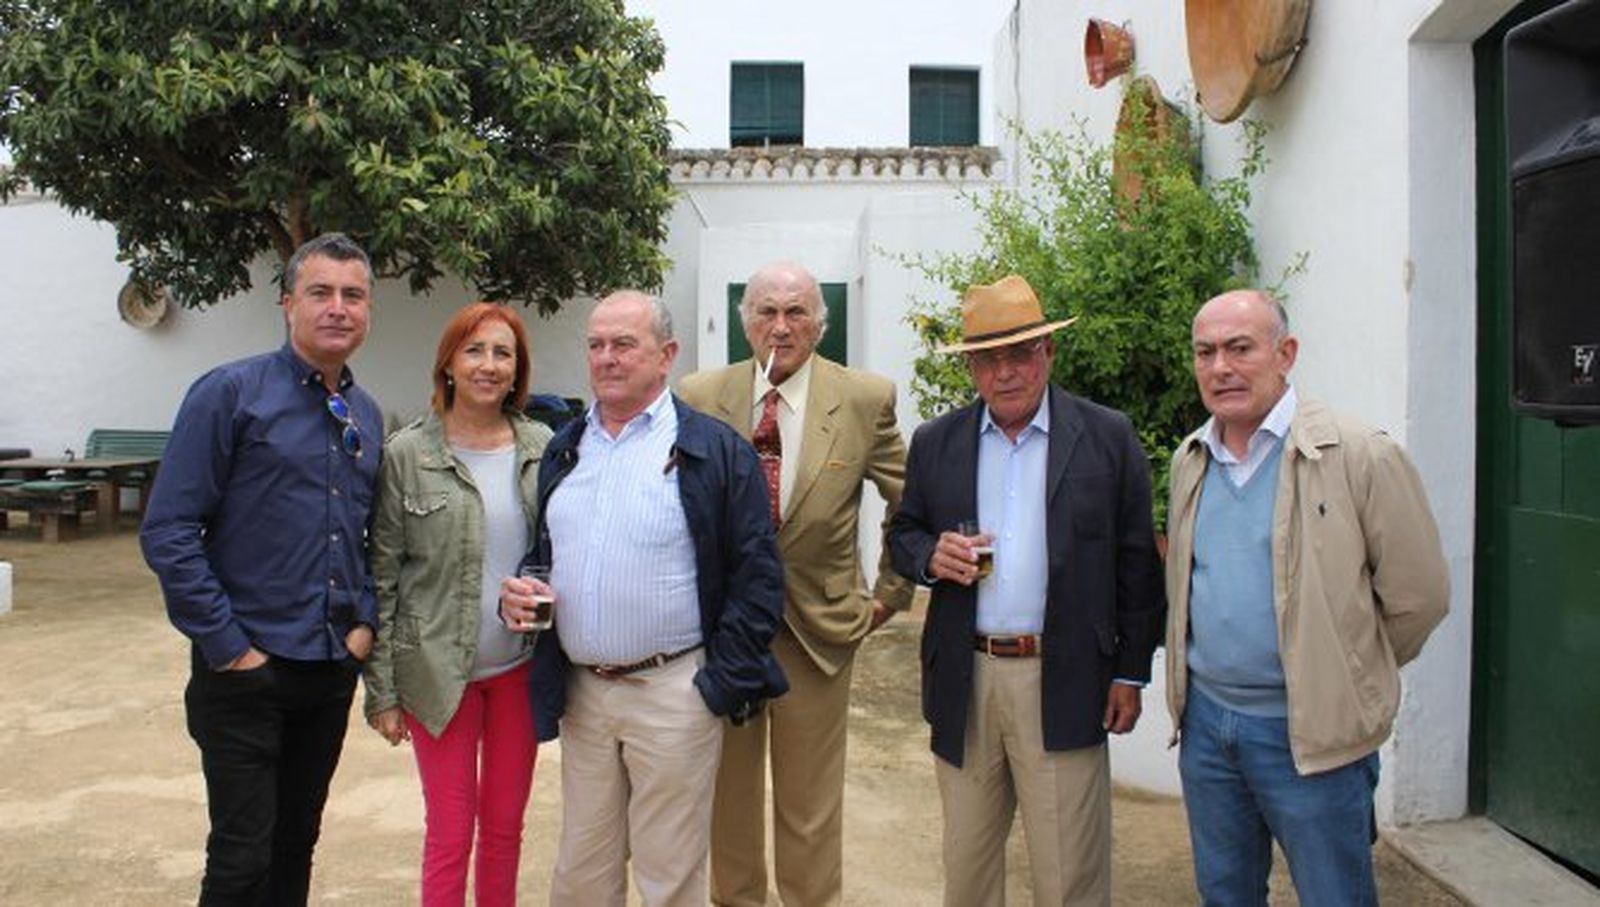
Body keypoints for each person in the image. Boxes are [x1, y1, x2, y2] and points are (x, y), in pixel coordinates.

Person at [499, 290, 787, 907]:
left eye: (624, 344)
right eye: (596, 345)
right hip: (585, 695)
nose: (606, 358)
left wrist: (715, 685)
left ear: (667, 355)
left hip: (674, 693)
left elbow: (758, 579)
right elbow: (546, 553)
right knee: (582, 871)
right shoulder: (565, 447)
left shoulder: (715, 450)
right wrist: (523, 590)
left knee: (670, 874)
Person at [887, 274, 1164, 906]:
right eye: (988, 359)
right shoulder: (938, 442)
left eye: (1019, 353)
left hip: (1066, 677)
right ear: (972, 369)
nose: (1005, 372)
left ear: (1048, 352)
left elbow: (1136, 563)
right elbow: (902, 535)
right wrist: (931, 554)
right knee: (969, 872)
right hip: (967, 676)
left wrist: (1131, 672)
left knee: (1070, 876)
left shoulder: (1106, 437)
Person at [1165, 289, 1449, 906]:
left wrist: (1343, 671)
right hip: (1209, 730)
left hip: (1310, 737)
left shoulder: (1358, 454)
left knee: (1334, 896)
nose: (1221, 368)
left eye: (1240, 348)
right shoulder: (1191, 460)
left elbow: (1420, 596)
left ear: (1285, 353)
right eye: (1205, 352)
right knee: (1226, 894)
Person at [141, 232, 382, 904]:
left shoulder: (364, 414)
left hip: (328, 668)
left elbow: (364, 532)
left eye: (353, 295)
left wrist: (363, 625)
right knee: (241, 858)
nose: (337, 307)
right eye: (320, 292)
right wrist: (230, 648)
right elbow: (168, 529)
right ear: (287, 303)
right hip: (245, 673)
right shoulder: (230, 394)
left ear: (368, 310)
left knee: (295, 844)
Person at [678, 261, 914, 907]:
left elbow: (911, 499)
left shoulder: (864, 397)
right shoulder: (701, 394)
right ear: (744, 320)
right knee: (729, 801)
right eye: (766, 311)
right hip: (725, 633)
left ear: (820, 322)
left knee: (810, 807)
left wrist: (891, 589)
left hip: (818, 632)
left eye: (797, 312)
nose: (780, 326)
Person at [361, 302, 552, 906]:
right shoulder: (406, 455)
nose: (489, 365)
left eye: (503, 353)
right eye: (475, 350)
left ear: (518, 369)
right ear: (447, 363)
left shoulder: (543, 448)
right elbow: (383, 575)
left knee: (503, 830)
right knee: (449, 833)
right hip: (437, 675)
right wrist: (383, 690)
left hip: (518, 671)